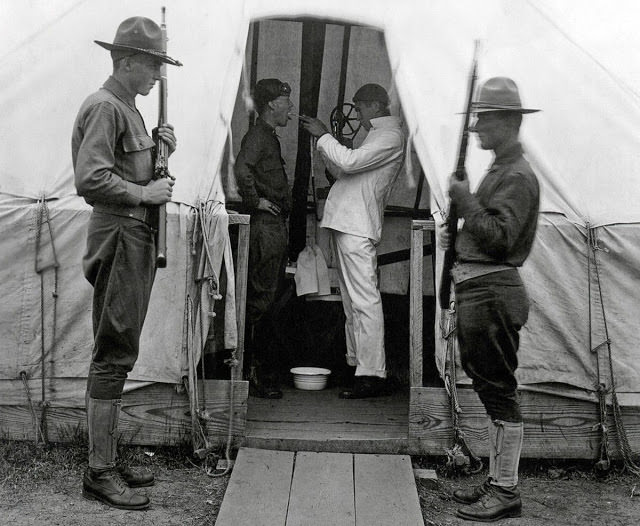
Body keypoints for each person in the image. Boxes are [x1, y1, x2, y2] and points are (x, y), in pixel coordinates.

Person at [72, 16, 181, 510]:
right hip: (118, 233)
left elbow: (129, 168)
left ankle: (109, 459)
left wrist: (161, 153)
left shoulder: (129, 110)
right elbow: (91, 179)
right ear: (128, 61)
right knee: (113, 350)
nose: (157, 74)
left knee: (122, 347)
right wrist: (144, 192)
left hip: (132, 234)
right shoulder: (104, 107)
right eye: (153, 64)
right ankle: (98, 470)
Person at [438, 77, 540, 522]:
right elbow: (486, 232)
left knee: (499, 393)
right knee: (490, 388)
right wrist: (458, 232)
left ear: (509, 122)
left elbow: (500, 238)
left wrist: (464, 200)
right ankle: (501, 481)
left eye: (485, 118)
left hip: (493, 292)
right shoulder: (501, 170)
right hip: (482, 291)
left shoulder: (517, 176)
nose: (476, 126)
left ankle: (506, 490)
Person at [300, 83, 405, 399]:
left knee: (363, 300)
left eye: (359, 108)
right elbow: (347, 171)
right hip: (349, 223)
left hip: (357, 226)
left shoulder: (389, 136)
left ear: (375, 105)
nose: (356, 114)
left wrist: (324, 136)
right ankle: (358, 367)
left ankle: (372, 374)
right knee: (353, 302)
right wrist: (330, 147)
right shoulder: (374, 136)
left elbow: (349, 164)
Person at [235, 79, 294, 399]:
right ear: (272, 104)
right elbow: (241, 167)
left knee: (265, 298)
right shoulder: (258, 136)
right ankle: (249, 373)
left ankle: (253, 370)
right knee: (259, 301)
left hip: (273, 226)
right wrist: (254, 200)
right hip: (265, 227)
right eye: (287, 102)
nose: (291, 108)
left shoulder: (267, 137)